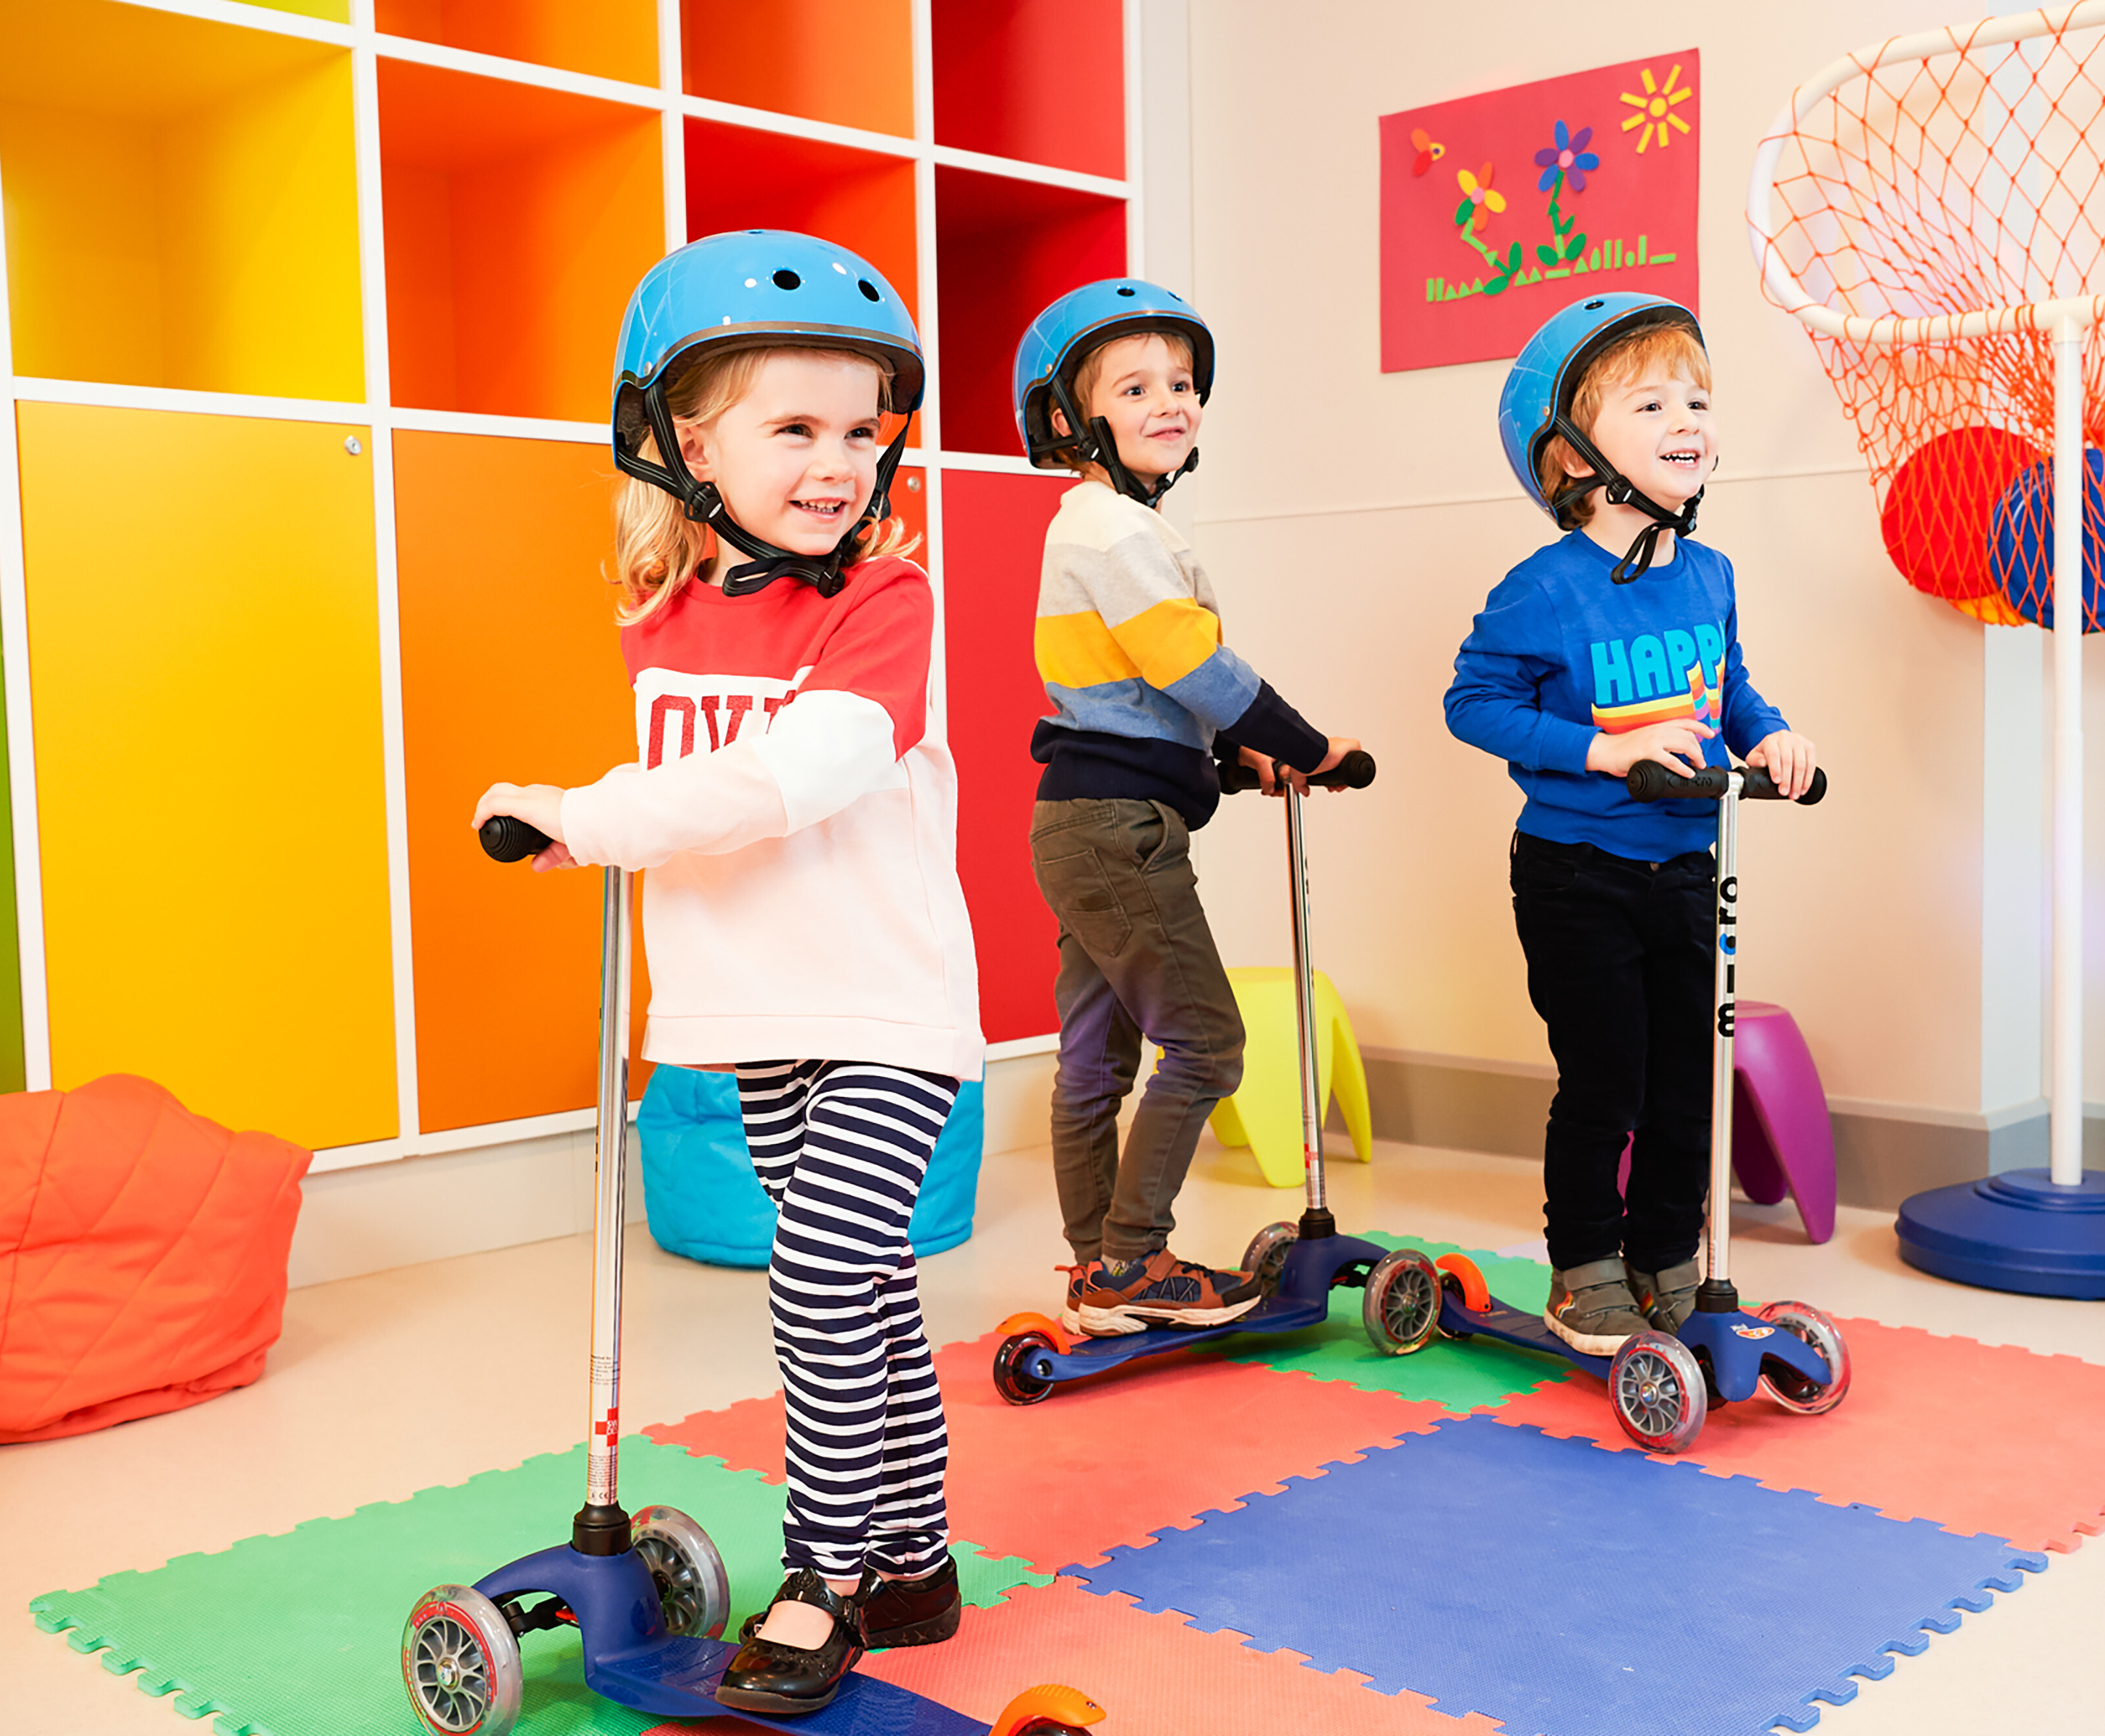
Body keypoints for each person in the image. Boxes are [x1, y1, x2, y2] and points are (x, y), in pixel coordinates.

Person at [472, 232, 979, 1714]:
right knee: (865, 1288)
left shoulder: (885, 602)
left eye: (859, 428)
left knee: (820, 1272)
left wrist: (588, 813)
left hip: (882, 1001)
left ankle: (824, 1574)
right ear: (690, 442)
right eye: (792, 426)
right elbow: (685, 786)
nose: (837, 461)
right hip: (749, 1006)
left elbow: (795, 774)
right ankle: (917, 1555)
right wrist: (588, 825)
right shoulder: (663, 618)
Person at [1444, 295, 1817, 1356]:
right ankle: (1585, 1271)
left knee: (1687, 1082)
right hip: (1576, 872)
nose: (1686, 419)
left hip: (1687, 865)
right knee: (1607, 1078)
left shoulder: (1711, 573)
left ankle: (1666, 1258)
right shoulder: (1543, 589)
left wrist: (1772, 733)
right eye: (1650, 402)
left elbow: (1728, 687)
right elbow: (1473, 705)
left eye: (1696, 397)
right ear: (1570, 453)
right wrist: (1602, 750)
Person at [1008, 278, 1358, 1336]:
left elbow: (1139, 701)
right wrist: (1308, 745)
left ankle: (1095, 1267)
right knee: (1206, 1039)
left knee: (1094, 1060)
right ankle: (1131, 1261)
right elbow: (1191, 665)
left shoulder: (1104, 527)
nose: (1172, 400)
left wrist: (1244, 761)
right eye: (1136, 386)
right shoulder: (1114, 532)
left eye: (1183, 382)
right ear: (1072, 422)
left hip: (1082, 816)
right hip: (1119, 833)